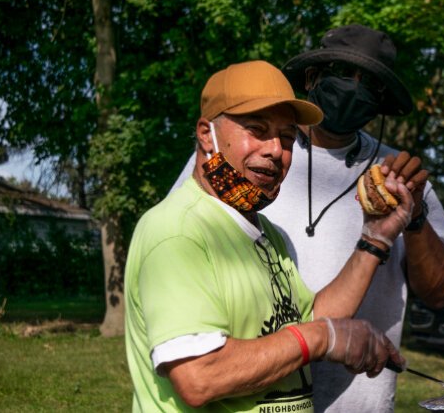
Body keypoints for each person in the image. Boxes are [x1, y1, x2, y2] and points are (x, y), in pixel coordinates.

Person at [171, 24, 444, 412]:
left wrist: (415, 217)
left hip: (359, 401)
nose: (354, 89)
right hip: (249, 396)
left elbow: (440, 293)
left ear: (381, 103)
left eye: (370, 84)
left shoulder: (399, 179)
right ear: (312, 77)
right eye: (343, 74)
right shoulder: (243, 159)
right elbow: (182, 246)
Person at [125, 60, 414, 412]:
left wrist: (375, 238)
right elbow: (199, 376)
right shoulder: (178, 231)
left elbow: (307, 322)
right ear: (206, 135)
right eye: (257, 129)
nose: (276, 150)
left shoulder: (268, 235)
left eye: (288, 137)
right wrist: (324, 337)